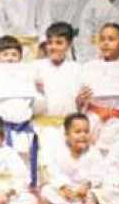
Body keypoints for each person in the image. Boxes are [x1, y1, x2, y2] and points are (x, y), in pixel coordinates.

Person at [77, 23, 119, 155]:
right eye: (102, 39)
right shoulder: (88, 67)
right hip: (94, 122)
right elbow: (80, 101)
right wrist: (80, 100)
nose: (105, 43)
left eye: (111, 39)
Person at [0, 35, 45, 186]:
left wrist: (40, 91)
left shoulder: (28, 77)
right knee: (2, 165)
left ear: (20, 57)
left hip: (24, 127)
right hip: (2, 129)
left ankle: (25, 188)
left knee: (24, 165)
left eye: (14, 55)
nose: (10, 59)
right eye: (5, 55)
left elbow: (38, 109)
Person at [33, 22, 82, 177]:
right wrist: (36, 91)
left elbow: (81, 105)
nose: (53, 47)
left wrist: (81, 102)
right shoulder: (35, 67)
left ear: (68, 44)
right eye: (50, 43)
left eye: (59, 43)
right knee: (44, 170)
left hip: (67, 129)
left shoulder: (77, 69)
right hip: (42, 127)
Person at [40, 113, 102, 204]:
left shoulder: (94, 151)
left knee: (106, 192)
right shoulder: (58, 150)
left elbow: (99, 173)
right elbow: (52, 171)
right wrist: (63, 187)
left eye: (86, 132)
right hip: (67, 190)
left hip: (86, 191)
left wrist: (87, 186)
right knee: (46, 191)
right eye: (77, 132)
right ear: (67, 135)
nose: (83, 135)